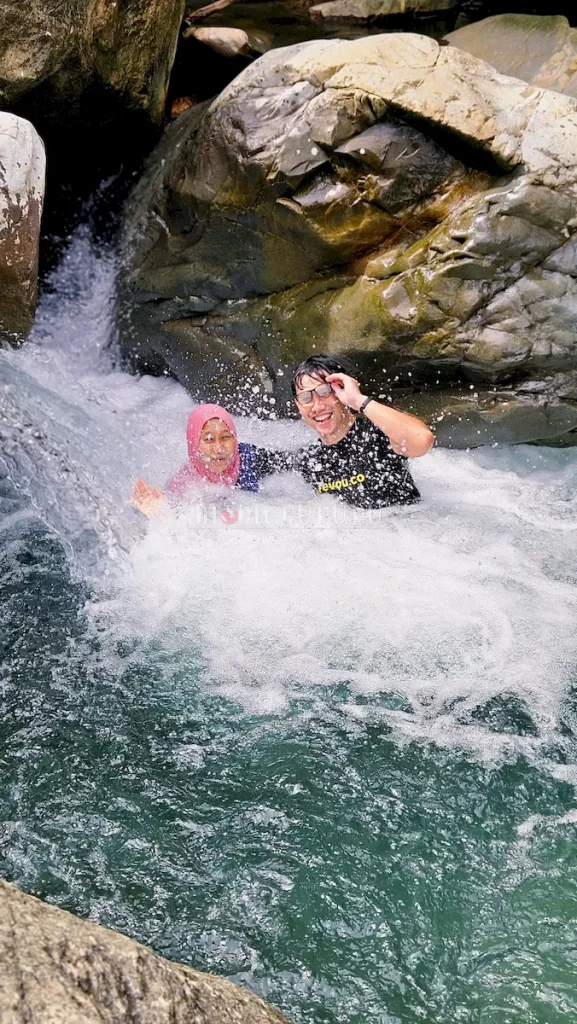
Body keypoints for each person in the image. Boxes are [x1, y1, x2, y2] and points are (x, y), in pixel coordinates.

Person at [292, 354, 434, 509]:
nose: (317, 406)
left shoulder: (378, 432)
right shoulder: (309, 460)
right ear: (298, 406)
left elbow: (423, 440)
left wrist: (358, 400)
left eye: (325, 391)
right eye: (306, 397)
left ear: (342, 390)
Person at [132, 403, 291, 517]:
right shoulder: (184, 485)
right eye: (208, 440)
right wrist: (157, 514)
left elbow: (295, 464)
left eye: (225, 437)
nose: (219, 448)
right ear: (194, 444)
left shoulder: (250, 457)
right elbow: (177, 528)